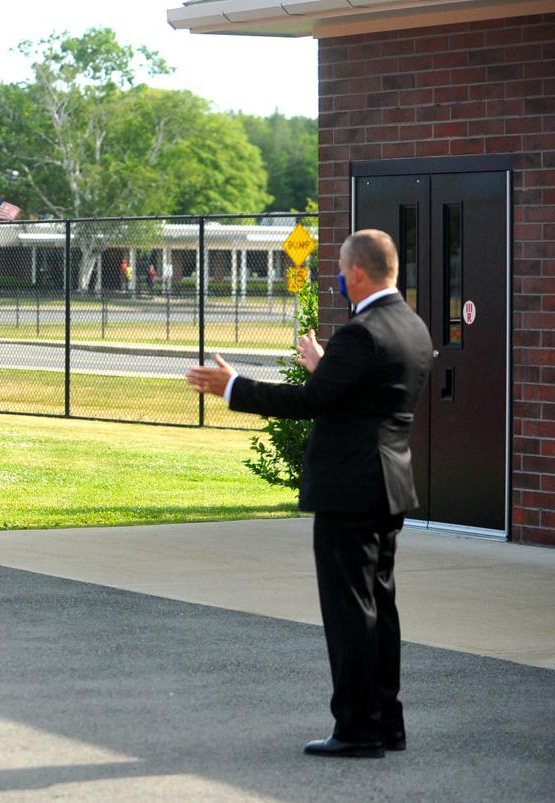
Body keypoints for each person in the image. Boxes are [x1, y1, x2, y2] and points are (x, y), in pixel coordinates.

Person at [186, 229, 433, 759]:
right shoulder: (410, 325)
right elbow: (364, 397)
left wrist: (233, 386)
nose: (338, 279)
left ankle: (358, 729)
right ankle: (386, 722)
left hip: (350, 489)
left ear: (357, 272)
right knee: (379, 609)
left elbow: (312, 403)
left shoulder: (362, 332)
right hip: (389, 486)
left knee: (350, 613)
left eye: (341, 270)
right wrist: (327, 367)